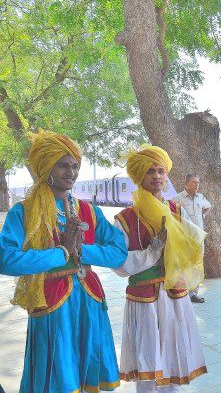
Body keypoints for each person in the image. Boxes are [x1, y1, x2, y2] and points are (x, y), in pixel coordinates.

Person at [0, 130, 127, 392]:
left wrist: (83, 252)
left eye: (75, 166)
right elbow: (6, 259)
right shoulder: (23, 212)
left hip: (89, 300)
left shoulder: (89, 211)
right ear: (46, 166)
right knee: (58, 375)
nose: (71, 172)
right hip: (51, 304)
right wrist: (60, 254)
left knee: (86, 369)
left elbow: (118, 251)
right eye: (63, 165)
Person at [113, 145, 207, 392]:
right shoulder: (125, 218)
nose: (156, 176)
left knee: (174, 358)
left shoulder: (176, 211)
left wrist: (180, 259)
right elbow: (121, 265)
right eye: (150, 171)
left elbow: (193, 244)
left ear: (166, 176)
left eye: (161, 171)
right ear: (139, 177)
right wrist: (154, 251)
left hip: (174, 294)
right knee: (148, 360)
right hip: (144, 300)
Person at [172, 173, 211, 303]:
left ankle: (194, 294)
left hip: (198, 238)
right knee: (184, 264)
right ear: (187, 183)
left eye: (198, 182)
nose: (197, 185)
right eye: (194, 182)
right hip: (185, 238)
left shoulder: (201, 197)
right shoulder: (177, 198)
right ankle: (183, 292)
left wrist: (203, 216)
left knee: (197, 265)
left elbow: (208, 207)